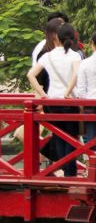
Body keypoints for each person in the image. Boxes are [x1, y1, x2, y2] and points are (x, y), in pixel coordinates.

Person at [29, 23, 82, 177]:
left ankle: (63, 168)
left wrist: (42, 94)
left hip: (51, 101)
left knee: (58, 136)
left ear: (56, 38)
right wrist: (67, 92)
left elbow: (31, 74)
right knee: (71, 137)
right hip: (69, 101)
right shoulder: (74, 55)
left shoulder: (48, 56)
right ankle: (70, 173)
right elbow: (76, 76)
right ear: (72, 39)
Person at [70, 30, 96, 146]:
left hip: (90, 104)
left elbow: (81, 90)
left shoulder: (85, 64)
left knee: (91, 141)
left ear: (92, 44)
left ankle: (93, 162)